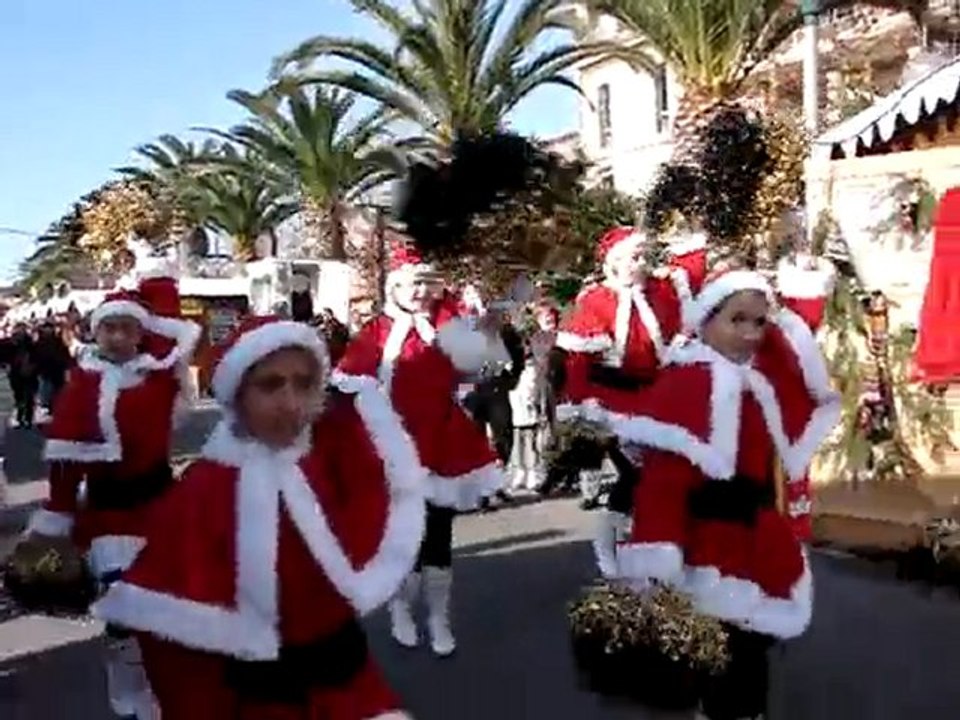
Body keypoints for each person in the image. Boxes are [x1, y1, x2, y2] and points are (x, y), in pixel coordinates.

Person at [93, 316, 423, 720]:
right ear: (238, 393)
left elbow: (374, 479)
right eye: (270, 384)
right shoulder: (202, 491)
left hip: (350, 689)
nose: (291, 402)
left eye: (304, 384)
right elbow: (173, 642)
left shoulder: (325, 463)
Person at [605, 257, 838, 720]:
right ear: (705, 320)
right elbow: (663, 483)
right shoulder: (687, 383)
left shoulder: (753, 381)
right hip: (704, 546)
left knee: (749, 659)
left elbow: (797, 353)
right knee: (723, 663)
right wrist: (656, 553)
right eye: (737, 320)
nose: (751, 333)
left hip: (753, 541)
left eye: (758, 322)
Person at [25, 266, 200, 720]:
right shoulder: (82, 383)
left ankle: (161, 690)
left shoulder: (158, 376)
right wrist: (56, 517)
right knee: (122, 618)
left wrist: (156, 290)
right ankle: (128, 696)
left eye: (128, 328)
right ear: (95, 331)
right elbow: (65, 462)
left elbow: (174, 336)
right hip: (108, 514)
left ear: (141, 334)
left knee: (163, 613)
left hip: (161, 507)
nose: (119, 337)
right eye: (110, 327)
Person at [333, 242, 508, 657]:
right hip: (393, 446)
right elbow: (347, 381)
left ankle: (438, 618)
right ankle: (400, 611)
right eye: (411, 285)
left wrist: (476, 325)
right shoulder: (376, 331)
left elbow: (485, 363)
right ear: (394, 287)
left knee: (439, 535)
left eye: (426, 285)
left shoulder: (448, 325)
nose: (419, 293)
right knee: (402, 535)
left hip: (443, 441)